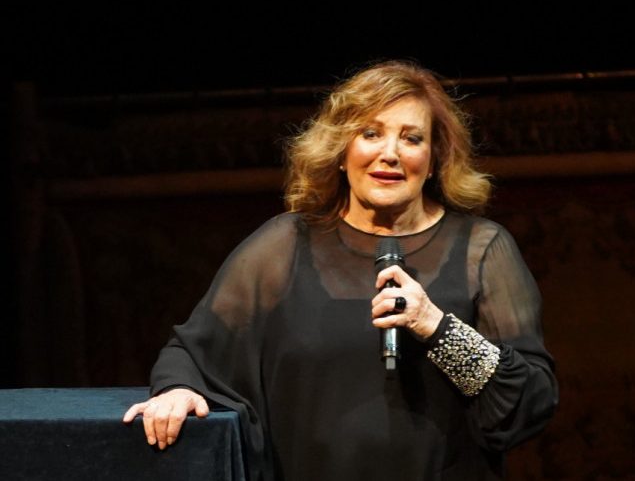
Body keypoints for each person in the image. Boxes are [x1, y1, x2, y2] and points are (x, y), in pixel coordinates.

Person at [123, 60, 558, 480]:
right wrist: (179, 391)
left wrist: (435, 326)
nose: (390, 154)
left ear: (434, 159)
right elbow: (192, 352)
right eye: (370, 134)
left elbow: (529, 400)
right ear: (341, 152)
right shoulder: (284, 245)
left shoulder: (481, 250)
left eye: (411, 139)